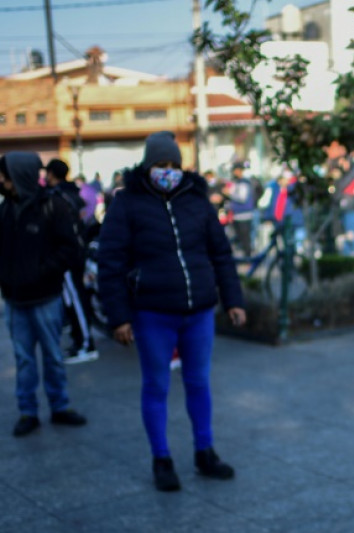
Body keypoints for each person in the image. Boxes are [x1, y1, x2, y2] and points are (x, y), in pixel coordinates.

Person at [97, 131, 246, 492]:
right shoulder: (127, 203)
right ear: (148, 166)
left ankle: (204, 452)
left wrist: (234, 300)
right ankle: (161, 459)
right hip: (152, 313)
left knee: (198, 382)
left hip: (199, 311)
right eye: (161, 165)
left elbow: (221, 253)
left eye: (174, 165)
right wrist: (119, 318)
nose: (168, 171)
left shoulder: (196, 200)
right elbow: (110, 262)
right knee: (156, 385)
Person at [0, 152, 88, 437]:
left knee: (52, 355)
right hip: (15, 300)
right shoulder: (5, 209)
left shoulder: (53, 206)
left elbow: (70, 249)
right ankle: (28, 411)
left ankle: (60, 406)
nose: (2, 181)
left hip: (46, 298)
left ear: (19, 176)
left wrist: (41, 271)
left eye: (5, 175)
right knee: (23, 359)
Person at [44, 159, 99, 364]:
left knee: (76, 299)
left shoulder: (59, 196)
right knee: (75, 298)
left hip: (69, 256)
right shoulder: (72, 193)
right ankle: (81, 339)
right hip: (75, 253)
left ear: (51, 174)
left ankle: (85, 343)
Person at [228, 161, 257, 257]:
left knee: (245, 238)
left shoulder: (244, 182)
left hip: (244, 215)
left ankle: (248, 257)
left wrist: (229, 193)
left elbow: (242, 197)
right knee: (240, 238)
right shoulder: (236, 182)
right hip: (237, 215)